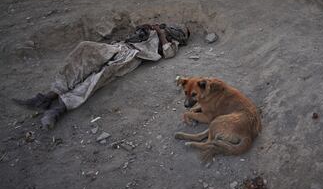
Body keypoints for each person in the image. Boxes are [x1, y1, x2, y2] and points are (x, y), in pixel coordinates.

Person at [13, 23, 190, 129]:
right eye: (177, 27)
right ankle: (47, 96)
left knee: (96, 78)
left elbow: (168, 54)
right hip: (119, 47)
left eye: (180, 30)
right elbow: (134, 34)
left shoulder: (170, 42)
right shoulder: (156, 30)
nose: (176, 29)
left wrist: (160, 34)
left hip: (129, 57)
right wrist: (147, 26)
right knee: (83, 53)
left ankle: (57, 109)